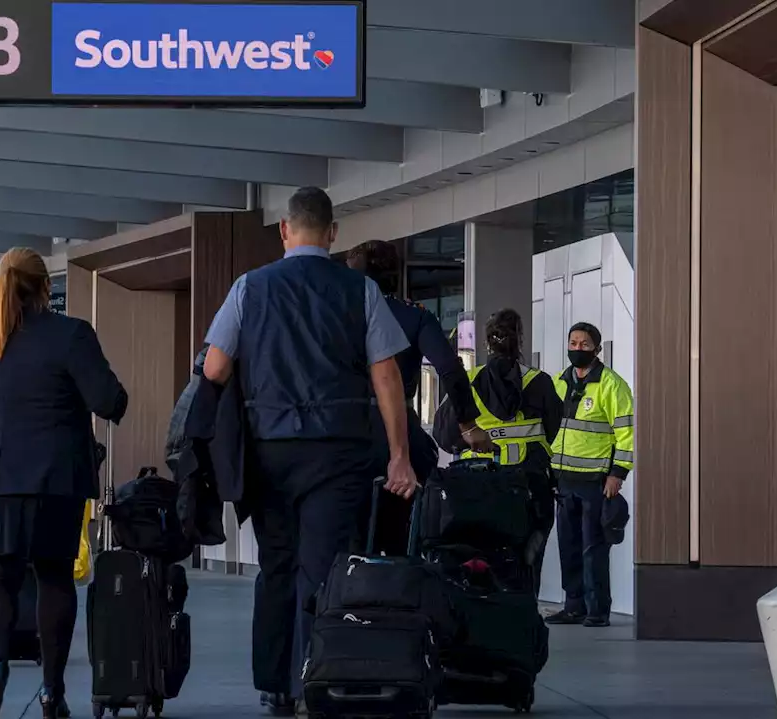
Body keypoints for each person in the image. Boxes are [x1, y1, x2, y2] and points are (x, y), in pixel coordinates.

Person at [201, 187, 418, 714]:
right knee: (323, 569)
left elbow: (214, 369)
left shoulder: (249, 288)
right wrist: (399, 455)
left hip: (269, 450)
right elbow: (386, 375)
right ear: (333, 232)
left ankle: (273, 684)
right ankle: (314, 677)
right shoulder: (359, 290)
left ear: (284, 230)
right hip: (337, 454)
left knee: (276, 565)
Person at [0, 248, 127, 719]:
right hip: (55, 475)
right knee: (54, 578)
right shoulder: (70, 334)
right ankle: (52, 690)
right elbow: (108, 401)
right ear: (45, 287)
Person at [346, 240, 494, 556]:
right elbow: (450, 370)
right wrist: (468, 425)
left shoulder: (338, 315)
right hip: (401, 430)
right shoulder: (415, 316)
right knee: (408, 523)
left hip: (346, 430)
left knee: (345, 531)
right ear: (395, 277)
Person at [434, 309, 562, 594]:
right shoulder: (539, 382)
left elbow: (443, 435)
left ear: (486, 344)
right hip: (529, 486)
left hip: (477, 488)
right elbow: (552, 429)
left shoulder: (468, 382)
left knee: (477, 561)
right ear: (520, 342)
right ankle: (523, 621)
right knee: (526, 563)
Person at [544, 322, 634, 628]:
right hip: (563, 479)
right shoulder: (559, 381)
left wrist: (617, 474)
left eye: (584, 344)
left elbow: (626, 435)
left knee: (593, 549)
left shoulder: (612, 385)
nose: (577, 349)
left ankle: (597, 611)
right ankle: (573, 607)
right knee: (568, 547)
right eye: (573, 343)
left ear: (597, 348)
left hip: (596, 481)